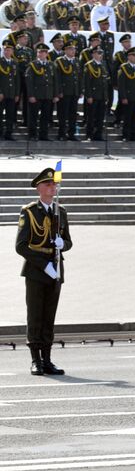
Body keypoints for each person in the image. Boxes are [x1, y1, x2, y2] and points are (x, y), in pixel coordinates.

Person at [16, 167, 72, 376]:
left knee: (49, 316)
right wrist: (43, 265)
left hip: (56, 269)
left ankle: (47, 359)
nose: (52, 187)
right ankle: (35, 360)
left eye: (54, 184)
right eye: (48, 184)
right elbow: (21, 246)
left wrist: (62, 244)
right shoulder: (29, 212)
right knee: (35, 316)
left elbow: (68, 242)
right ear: (39, 188)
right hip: (36, 271)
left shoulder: (61, 212)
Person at [114, 47, 135, 141]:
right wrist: (123, 97)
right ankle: (125, 135)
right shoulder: (124, 67)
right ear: (129, 57)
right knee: (127, 117)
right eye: (134, 55)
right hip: (128, 96)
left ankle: (134, 135)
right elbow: (121, 84)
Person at [53, 42, 81, 141]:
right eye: (70, 49)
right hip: (64, 92)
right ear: (65, 50)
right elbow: (57, 78)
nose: (73, 51)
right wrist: (59, 91)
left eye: (74, 49)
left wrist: (80, 90)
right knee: (62, 114)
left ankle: (71, 134)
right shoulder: (60, 61)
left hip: (74, 92)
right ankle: (61, 134)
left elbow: (79, 77)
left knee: (73, 114)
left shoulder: (76, 61)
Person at [81, 46, 109, 141]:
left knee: (100, 117)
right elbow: (87, 82)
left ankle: (98, 134)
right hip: (93, 95)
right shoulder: (89, 65)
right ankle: (89, 134)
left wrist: (106, 96)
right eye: (98, 53)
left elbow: (105, 82)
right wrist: (88, 95)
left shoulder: (103, 65)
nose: (100, 55)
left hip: (102, 95)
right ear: (93, 54)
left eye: (101, 53)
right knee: (91, 117)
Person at [0, 43, 19, 140]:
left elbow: (17, 80)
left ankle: (8, 133)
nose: (7, 52)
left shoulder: (15, 63)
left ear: (12, 51)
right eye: (5, 50)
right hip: (2, 93)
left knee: (10, 115)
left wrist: (17, 94)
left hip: (11, 93)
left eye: (9, 50)